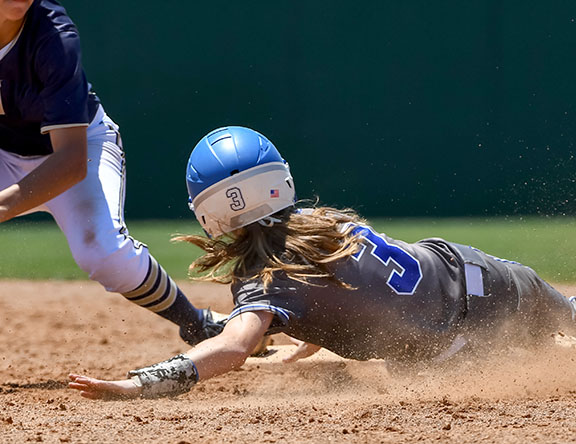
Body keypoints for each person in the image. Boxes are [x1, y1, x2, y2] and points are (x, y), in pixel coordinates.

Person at [69, 125, 576, 400]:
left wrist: (139, 383)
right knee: (565, 320)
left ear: (210, 212)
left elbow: (232, 348)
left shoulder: (262, 281)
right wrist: (307, 343)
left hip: (456, 351)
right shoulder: (318, 221)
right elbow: (353, 286)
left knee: (444, 375)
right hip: (489, 275)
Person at [0, 0, 222, 346]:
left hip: (78, 149)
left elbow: (72, 160)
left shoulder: (54, 37)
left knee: (102, 251)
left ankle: (196, 323)